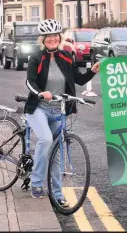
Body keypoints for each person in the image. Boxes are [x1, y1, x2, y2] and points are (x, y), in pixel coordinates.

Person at [25, 19, 100, 205]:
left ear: (59, 38)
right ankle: (36, 183)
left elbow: (79, 80)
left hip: (59, 110)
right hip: (38, 109)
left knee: (57, 154)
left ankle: (57, 193)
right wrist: (41, 93)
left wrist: (92, 71)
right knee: (46, 140)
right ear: (42, 39)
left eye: (55, 36)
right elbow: (30, 82)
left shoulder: (66, 56)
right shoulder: (36, 57)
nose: (52, 39)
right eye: (48, 36)